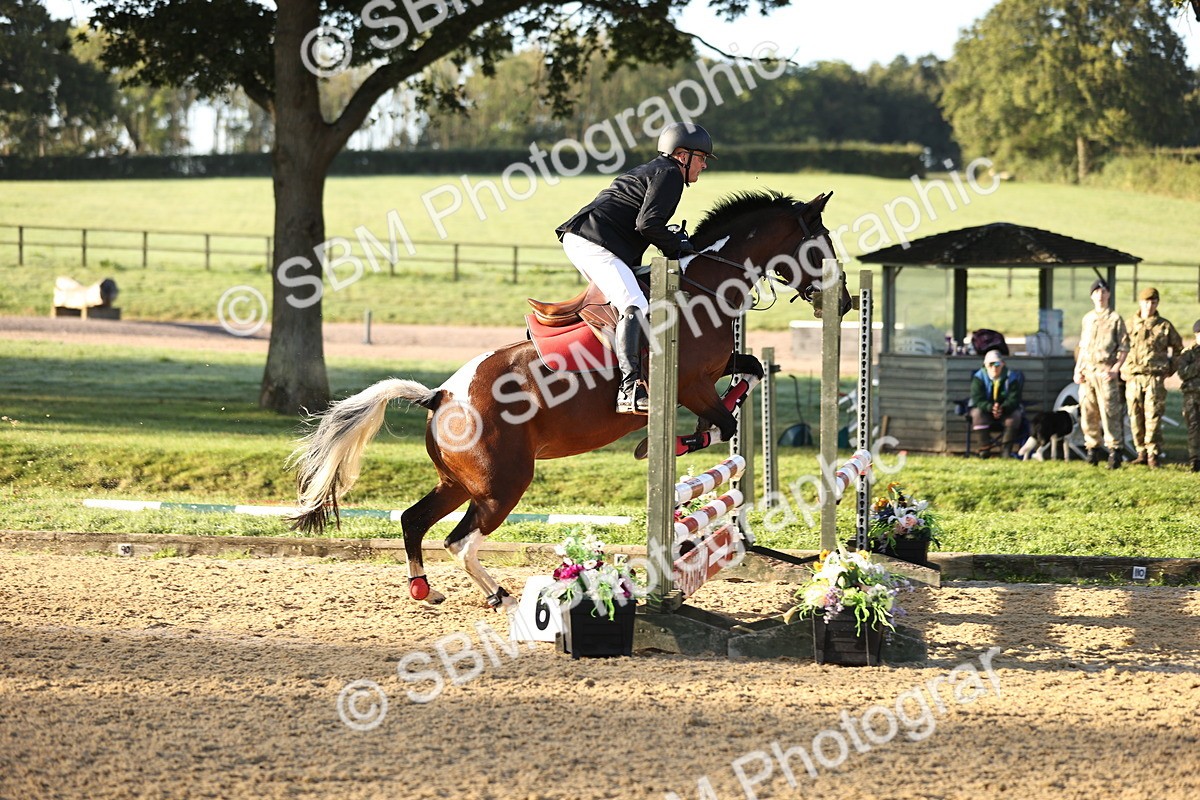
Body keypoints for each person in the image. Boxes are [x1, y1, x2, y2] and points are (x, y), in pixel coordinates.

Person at [556, 122, 715, 414]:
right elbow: (647, 225)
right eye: (702, 158)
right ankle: (629, 389)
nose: (704, 165)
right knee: (634, 304)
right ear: (682, 155)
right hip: (594, 242)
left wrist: (674, 244)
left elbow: (645, 225)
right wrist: (678, 246)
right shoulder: (670, 175)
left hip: (591, 239)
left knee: (631, 298)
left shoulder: (658, 170)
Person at [1120, 287, 1183, 468]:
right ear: (1140, 303)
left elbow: (1178, 349)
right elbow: (1119, 348)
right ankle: (1140, 451)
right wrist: (1122, 368)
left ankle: (1153, 454)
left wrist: (1170, 368)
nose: (1150, 306)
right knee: (1134, 415)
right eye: (1147, 302)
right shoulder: (1129, 324)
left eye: (1153, 302)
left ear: (1157, 304)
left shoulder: (1164, 326)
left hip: (1154, 377)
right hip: (1133, 377)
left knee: (1153, 415)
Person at [1073, 279, 1129, 469]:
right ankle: (1092, 449)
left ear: (1108, 295)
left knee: (1109, 412)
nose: (1100, 295)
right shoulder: (1087, 319)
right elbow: (1082, 346)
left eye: (1103, 291)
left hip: (1106, 371)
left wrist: (1116, 369)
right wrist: (1077, 370)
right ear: (1091, 296)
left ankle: (1115, 451)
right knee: (1088, 412)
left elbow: (1124, 347)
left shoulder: (1115, 319)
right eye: (1096, 292)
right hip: (1088, 371)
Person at [969, 349, 1025, 458]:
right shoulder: (978, 378)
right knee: (976, 414)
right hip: (985, 410)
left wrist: (1002, 408)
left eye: (997, 364)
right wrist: (990, 407)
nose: (994, 367)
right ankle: (984, 450)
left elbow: (1014, 398)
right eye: (991, 364)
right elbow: (977, 399)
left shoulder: (1011, 377)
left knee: (1016, 415)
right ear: (985, 365)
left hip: (1005, 410)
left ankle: (1005, 452)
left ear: (1002, 364)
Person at [1174, 319, 1200, 472]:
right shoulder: (1188, 352)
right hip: (1192, 396)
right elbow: (1182, 373)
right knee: (1194, 428)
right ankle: (1195, 459)